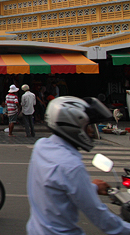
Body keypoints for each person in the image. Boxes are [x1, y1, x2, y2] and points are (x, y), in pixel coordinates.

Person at [27, 96, 130, 234]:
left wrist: (92, 188)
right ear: (73, 126)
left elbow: (59, 187)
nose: (92, 132)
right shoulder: (71, 166)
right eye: (88, 127)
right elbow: (99, 215)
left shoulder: (41, 147)